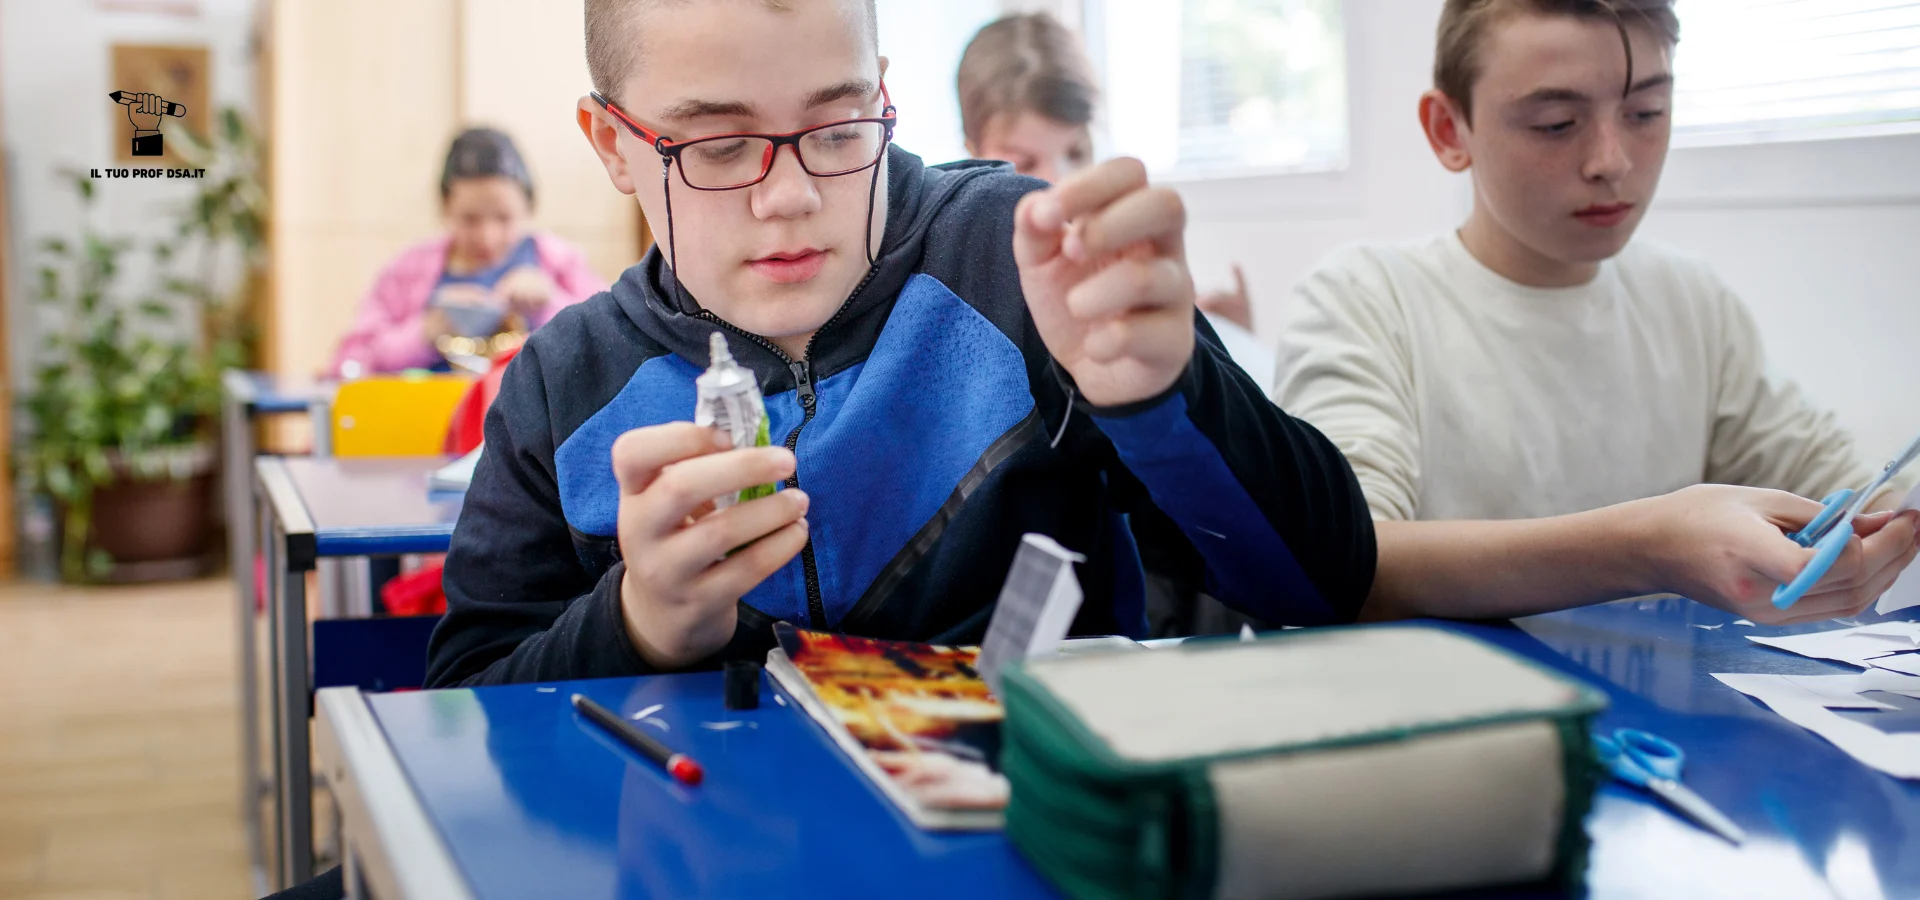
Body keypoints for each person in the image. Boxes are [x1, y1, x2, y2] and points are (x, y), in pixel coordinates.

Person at [425, 0, 1913, 696]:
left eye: (832, 124)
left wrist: (1163, 387)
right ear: (612, 147)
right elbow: (461, 710)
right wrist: (641, 624)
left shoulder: (1019, 259)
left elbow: (1316, 576)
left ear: (884, 91)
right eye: (713, 146)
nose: (795, 191)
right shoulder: (558, 384)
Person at [1274, 0, 1917, 529]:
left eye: (1645, 114)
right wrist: (1644, 545)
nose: (1611, 160)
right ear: (1450, 130)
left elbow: (1850, 493)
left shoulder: (1689, 302)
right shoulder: (1366, 301)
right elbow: (1351, 562)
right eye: (1556, 123)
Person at [956, 12, 1257, 336]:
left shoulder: (1114, 244)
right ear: (973, 155)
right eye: (1024, 163)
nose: (1057, 183)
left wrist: (1222, 339)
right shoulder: (963, 274)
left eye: (1076, 153)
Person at [328, 127, 608, 377]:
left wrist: (548, 305)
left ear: (528, 209)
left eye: (504, 218)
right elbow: (350, 363)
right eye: (470, 219)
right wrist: (427, 330)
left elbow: (610, 342)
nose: (487, 237)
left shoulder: (560, 265)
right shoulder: (407, 270)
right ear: (445, 209)